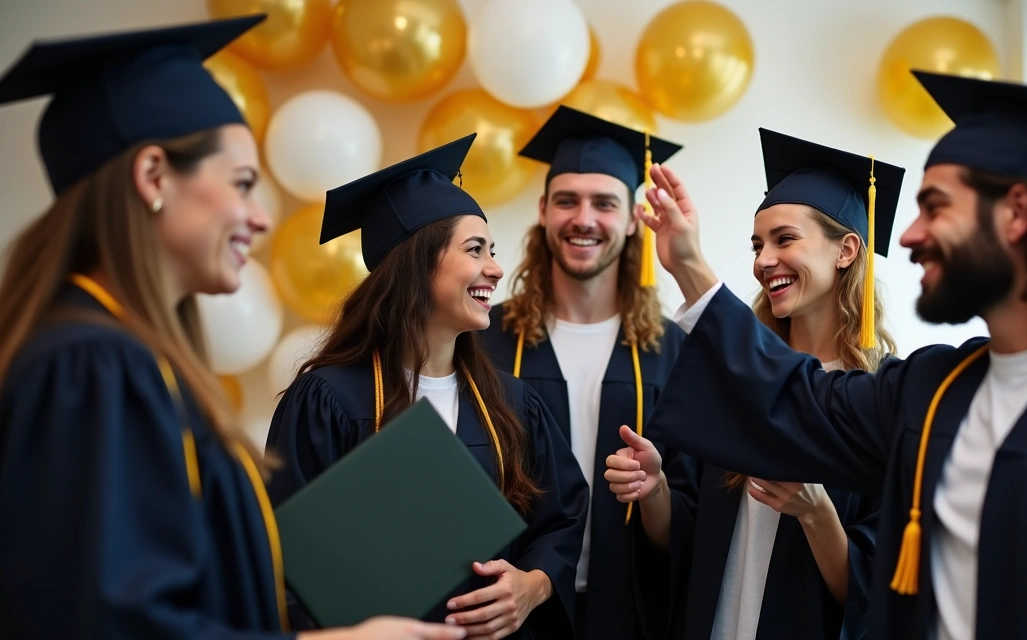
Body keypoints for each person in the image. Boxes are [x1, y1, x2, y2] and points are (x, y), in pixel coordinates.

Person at [635, 71, 1027, 639]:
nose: (909, 235)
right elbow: (794, 399)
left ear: (1016, 212)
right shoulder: (934, 389)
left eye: (935, 207)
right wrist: (690, 267)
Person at [0, 16, 464, 640]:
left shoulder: (125, 356)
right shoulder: (94, 366)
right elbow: (108, 623)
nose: (259, 218)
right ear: (154, 177)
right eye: (242, 184)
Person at [265, 134, 589, 640]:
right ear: (417, 263)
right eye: (475, 249)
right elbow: (285, 556)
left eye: (493, 250)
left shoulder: (511, 403)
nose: (496, 268)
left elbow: (561, 519)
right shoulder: (331, 400)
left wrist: (534, 585)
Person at [604, 129, 899, 640]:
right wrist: (654, 492)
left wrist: (816, 512)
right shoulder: (733, 383)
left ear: (847, 249)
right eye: (758, 245)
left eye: (785, 240)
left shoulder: (881, 398)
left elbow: (871, 594)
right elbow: (689, 541)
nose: (764, 260)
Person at [477, 106, 698, 640]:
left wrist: (654, 489)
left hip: (631, 613)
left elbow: (691, 523)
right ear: (543, 211)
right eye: (567, 200)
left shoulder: (674, 351)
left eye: (604, 202)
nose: (583, 218)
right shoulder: (484, 342)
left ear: (631, 219)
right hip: (509, 612)